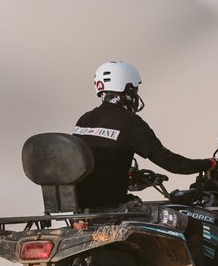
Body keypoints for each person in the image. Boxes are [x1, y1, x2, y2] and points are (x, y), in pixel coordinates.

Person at [71, 60, 208, 209]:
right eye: (134, 89)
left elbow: (98, 160)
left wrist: (130, 175)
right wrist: (209, 164)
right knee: (193, 223)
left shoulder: (85, 119)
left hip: (81, 207)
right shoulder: (129, 122)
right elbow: (172, 164)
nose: (136, 94)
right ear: (127, 89)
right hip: (113, 206)